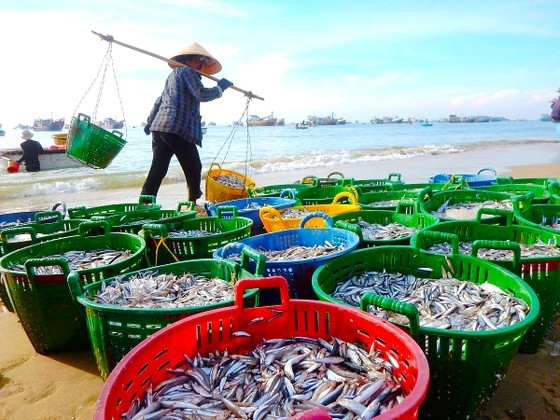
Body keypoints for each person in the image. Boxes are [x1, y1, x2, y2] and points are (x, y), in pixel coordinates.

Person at [141, 42, 233, 202]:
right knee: (194, 167)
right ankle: (192, 201)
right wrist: (220, 89)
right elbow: (201, 94)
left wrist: (150, 122)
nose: (203, 64)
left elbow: (159, 100)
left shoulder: (173, 75)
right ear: (192, 59)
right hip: (176, 128)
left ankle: (146, 201)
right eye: (201, 60)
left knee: (158, 168)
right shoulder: (188, 71)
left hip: (160, 127)